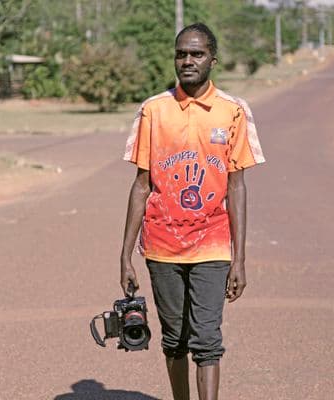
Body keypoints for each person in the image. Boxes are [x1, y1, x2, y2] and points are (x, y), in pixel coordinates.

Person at [120, 23, 265, 400]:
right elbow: (141, 185)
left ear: (212, 60)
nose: (187, 61)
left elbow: (237, 187)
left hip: (212, 245)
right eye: (181, 54)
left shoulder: (233, 112)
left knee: (207, 339)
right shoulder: (154, 110)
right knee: (174, 339)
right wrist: (124, 255)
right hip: (162, 244)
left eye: (196, 54)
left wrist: (240, 259)